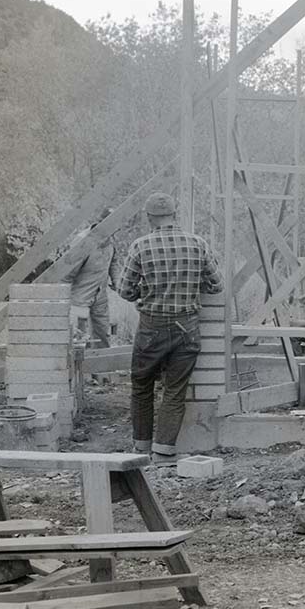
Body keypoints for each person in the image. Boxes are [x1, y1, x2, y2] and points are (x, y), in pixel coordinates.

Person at [117, 192, 223, 466]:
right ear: (175, 215)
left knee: (142, 386)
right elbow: (216, 285)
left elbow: (125, 291)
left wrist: (146, 292)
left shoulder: (141, 246)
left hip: (152, 327)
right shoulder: (197, 244)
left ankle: (140, 448)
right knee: (174, 392)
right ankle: (164, 453)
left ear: (150, 217)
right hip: (186, 327)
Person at [62, 208, 117, 347]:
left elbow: (113, 262)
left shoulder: (110, 239)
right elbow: (67, 273)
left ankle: (102, 366)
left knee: (102, 334)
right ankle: (80, 367)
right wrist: (62, 298)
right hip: (80, 298)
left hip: (100, 295)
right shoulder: (83, 241)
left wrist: (117, 281)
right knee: (79, 339)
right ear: (100, 223)